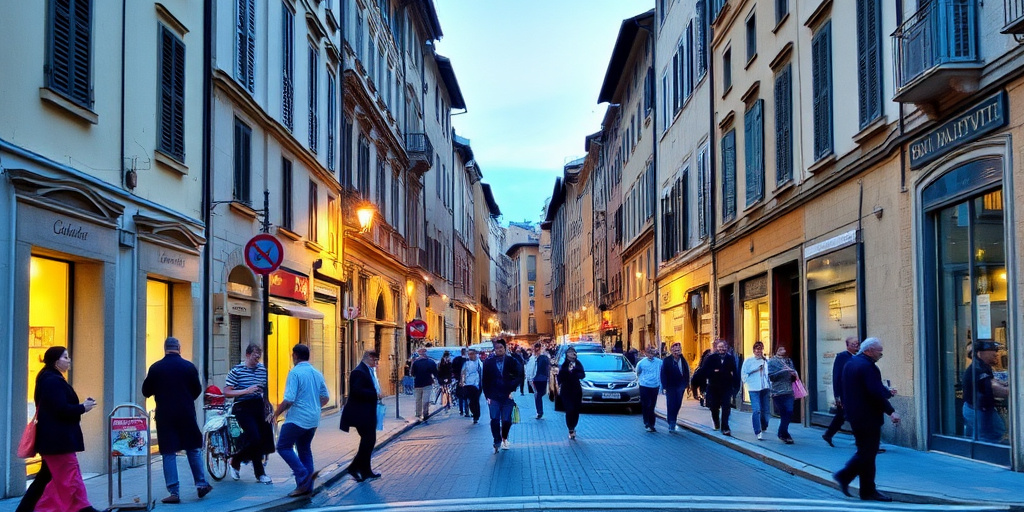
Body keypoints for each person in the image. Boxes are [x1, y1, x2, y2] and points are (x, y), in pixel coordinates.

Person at [29, 346, 103, 512]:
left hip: (53, 439)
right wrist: (83, 407)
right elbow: (61, 409)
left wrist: (81, 406)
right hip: (58, 440)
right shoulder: (52, 381)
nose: (69, 360)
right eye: (66, 357)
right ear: (56, 361)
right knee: (70, 475)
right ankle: (84, 509)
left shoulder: (49, 378)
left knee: (45, 480)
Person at [142, 337, 212, 504]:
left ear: (165, 348)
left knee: (168, 453)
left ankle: (174, 492)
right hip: (186, 413)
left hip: (165, 416)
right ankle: (201, 484)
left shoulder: (156, 368)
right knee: (193, 448)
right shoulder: (189, 367)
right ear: (179, 348)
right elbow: (197, 390)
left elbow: (146, 391)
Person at [832, 338, 900, 502]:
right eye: (879, 351)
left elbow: (863, 388)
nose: (881, 354)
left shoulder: (852, 363)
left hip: (855, 415)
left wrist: (884, 392)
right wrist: (891, 411)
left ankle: (867, 490)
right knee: (867, 452)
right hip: (867, 416)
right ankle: (845, 475)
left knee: (867, 453)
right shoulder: (868, 367)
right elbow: (874, 392)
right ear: (869, 350)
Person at [272, 344, 329, 497]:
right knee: (304, 448)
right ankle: (306, 487)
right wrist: (315, 407)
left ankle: (303, 476)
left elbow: (289, 399)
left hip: (297, 418)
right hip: (313, 419)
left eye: (292, 355)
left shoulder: (295, 373)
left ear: (295, 356)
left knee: (283, 446)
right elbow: (326, 397)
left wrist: (275, 414)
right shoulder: (317, 373)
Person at [224, 343, 275, 483]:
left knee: (263, 440)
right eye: (254, 356)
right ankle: (257, 472)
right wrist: (246, 391)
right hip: (242, 406)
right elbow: (227, 392)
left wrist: (268, 406)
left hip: (258, 406)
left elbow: (264, 390)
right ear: (247, 355)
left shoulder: (262, 370)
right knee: (254, 437)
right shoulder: (237, 370)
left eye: (259, 357)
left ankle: (238, 461)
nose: (257, 359)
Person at [339, 351, 383, 482]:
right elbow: (357, 390)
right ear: (368, 357)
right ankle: (356, 468)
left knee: (368, 442)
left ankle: (364, 470)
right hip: (361, 414)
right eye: (375, 360)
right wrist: (375, 394)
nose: (376, 363)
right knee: (368, 441)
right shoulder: (359, 372)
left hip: (367, 412)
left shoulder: (367, 370)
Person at [962, 340, 1009, 442]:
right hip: (978, 410)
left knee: (984, 435)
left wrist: (1005, 384)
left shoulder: (983, 366)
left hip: (977, 408)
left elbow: (992, 382)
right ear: (979, 353)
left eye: (995, 350)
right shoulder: (978, 369)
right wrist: (1014, 391)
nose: (995, 353)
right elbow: (994, 388)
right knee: (991, 435)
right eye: (991, 350)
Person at [482, 339, 522, 452]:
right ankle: (497, 439)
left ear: (505, 348)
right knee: (494, 419)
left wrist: (513, 388)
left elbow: (518, 376)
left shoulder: (512, 361)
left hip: (507, 395)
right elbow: (485, 380)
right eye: (497, 348)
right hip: (494, 396)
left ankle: (504, 436)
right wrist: (487, 395)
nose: (499, 350)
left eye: (501, 348)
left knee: (506, 420)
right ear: (494, 350)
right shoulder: (488, 363)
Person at [692, 339, 739, 435]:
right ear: (716, 348)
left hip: (726, 387)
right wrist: (713, 372)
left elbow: (734, 372)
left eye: (724, 347)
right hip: (714, 387)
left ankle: (725, 427)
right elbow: (704, 371)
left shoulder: (730, 358)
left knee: (726, 407)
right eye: (720, 347)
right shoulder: (711, 358)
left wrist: (735, 386)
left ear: (726, 348)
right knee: (714, 407)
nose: (722, 349)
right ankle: (716, 421)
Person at [823, 337, 860, 446]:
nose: (856, 346)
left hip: (853, 392)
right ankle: (861, 441)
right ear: (847, 345)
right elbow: (837, 376)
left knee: (843, 416)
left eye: (857, 344)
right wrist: (837, 395)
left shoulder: (857, 356)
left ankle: (828, 434)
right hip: (844, 393)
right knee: (851, 416)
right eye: (853, 344)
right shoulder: (842, 357)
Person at [767, 345, 798, 444]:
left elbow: (794, 373)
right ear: (776, 350)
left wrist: (794, 374)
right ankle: (784, 434)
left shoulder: (788, 361)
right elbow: (771, 376)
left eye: (784, 349)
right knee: (783, 412)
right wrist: (782, 371)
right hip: (777, 391)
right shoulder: (772, 361)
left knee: (789, 412)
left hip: (788, 390)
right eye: (780, 349)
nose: (783, 351)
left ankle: (783, 433)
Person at [741, 341, 771, 441]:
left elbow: (769, 373)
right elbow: (744, 374)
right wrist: (755, 371)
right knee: (756, 409)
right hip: (754, 388)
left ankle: (764, 425)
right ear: (754, 350)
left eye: (760, 349)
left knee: (765, 410)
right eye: (757, 349)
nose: (759, 351)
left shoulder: (766, 360)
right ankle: (757, 431)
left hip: (765, 388)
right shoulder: (749, 361)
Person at [660, 343, 690, 432]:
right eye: (675, 350)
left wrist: (687, 384)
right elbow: (663, 374)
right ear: (671, 351)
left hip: (681, 386)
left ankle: (673, 419)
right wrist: (664, 386)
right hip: (671, 386)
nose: (677, 352)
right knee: (671, 404)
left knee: (678, 404)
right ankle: (671, 422)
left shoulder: (683, 359)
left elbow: (686, 372)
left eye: (679, 350)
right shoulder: (667, 360)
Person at [557, 347, 586, 440]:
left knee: (576, 410)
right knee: (569, 409)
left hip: (576, 390)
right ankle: (570, 429)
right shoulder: (564, 364)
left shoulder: (578, 364)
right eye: (570, 352)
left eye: (573, 352)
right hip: (566, 390)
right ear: (567, 354)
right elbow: (560, 377)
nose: (572, 354)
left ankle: (573, 426)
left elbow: (582, 375)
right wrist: (567, 372)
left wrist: (574, 372)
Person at [635, 346, 663, 432]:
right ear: (646, 353)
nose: (650, 355)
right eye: (649, 353)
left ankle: (652, 424)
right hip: (644, 385)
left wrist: (661, 386)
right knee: (645, 404)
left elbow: (662, 373)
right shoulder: (641, 363)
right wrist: (641, 380)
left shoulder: (659, 362)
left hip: (655, 386)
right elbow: (638, 372)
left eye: (652, 353)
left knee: (652, 405)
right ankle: (646, 422)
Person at [410, 348, 438, 423]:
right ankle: (422, 414)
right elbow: (435, 373)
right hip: (424, 383)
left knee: (420, 400)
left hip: (421, 383)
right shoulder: (430, 362)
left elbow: (412, 373)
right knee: (422, 400)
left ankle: (421, 414)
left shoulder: (418, 362)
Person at [460, 348, 484, 423]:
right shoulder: (466, 363)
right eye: (469, 354)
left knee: (475, 400)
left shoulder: (479, 363)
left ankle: (476, 416)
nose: (470, 356)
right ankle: (474, 413)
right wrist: (462, 381)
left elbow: (482, 374)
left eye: (472, 354)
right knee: (470, 401)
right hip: (468, 385)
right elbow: (463, 373)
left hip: (477, 386)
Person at [531, 343, 551, 419]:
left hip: (539, 378)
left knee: (539, 394)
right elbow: (548, 366)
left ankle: (539, 411)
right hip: (539, 378)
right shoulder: (541, 357)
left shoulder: (538, 356)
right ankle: (540, 412)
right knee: (539, 394)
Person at [452, 348, 468, 416]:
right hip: (466, 380)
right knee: (466, 396)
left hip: (459, 380)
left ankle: (461, 410)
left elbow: (452, 369)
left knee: (461, 396)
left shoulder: (456, 359)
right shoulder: (468, 360)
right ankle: (466, 411)